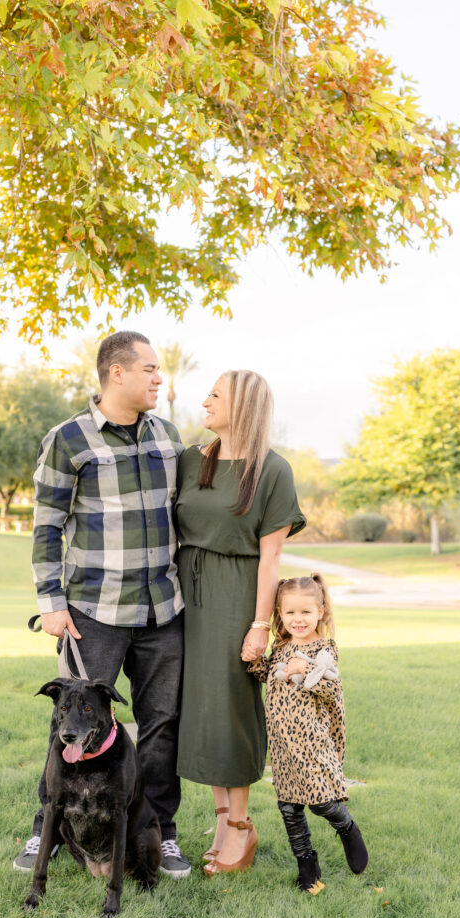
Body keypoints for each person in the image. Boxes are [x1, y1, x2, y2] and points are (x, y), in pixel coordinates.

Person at [13, 331, 191, 879]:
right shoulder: (68, 439)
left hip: (163, 610)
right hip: (93, 613)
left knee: (162, 723)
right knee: (69, 721)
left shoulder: (168, 435)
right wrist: (51, 602)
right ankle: (49, 823)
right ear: (117, 373)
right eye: (150, 369)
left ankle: (159, 832)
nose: (159, 378)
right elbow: (47, 525)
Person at [174, 370, 306, 876]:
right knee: (204, 710)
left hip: (237, 596)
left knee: (232, 709)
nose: (204, 401)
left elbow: (270, 560)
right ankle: (221, 821)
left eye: (215, 395)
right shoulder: (192, 459)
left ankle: (242, 828)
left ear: (244, 406)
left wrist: (259, 626)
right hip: (188, 594)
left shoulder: (273, 470)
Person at [244, 573, 369, 892]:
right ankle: (306, 865)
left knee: (320, 802)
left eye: (305, 612)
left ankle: (347, 827)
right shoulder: (282, 646)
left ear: (321, 612)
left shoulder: (324, 648)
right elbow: (270, 675)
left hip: (312, 742)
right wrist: (255, 661)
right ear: (279, 615)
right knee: (289, 807)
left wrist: (309, 669)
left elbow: (332, 688)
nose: (298, 620)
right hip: (283, 745)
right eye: (290, 613)